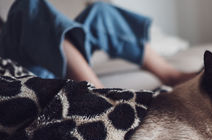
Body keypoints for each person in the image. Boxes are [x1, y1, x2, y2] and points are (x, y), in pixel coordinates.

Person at [0, 0, 195, 88]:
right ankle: (101, 97)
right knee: (27, 6)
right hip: (15, 74)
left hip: (41, 60)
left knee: (100, 11)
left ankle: (170, 75)